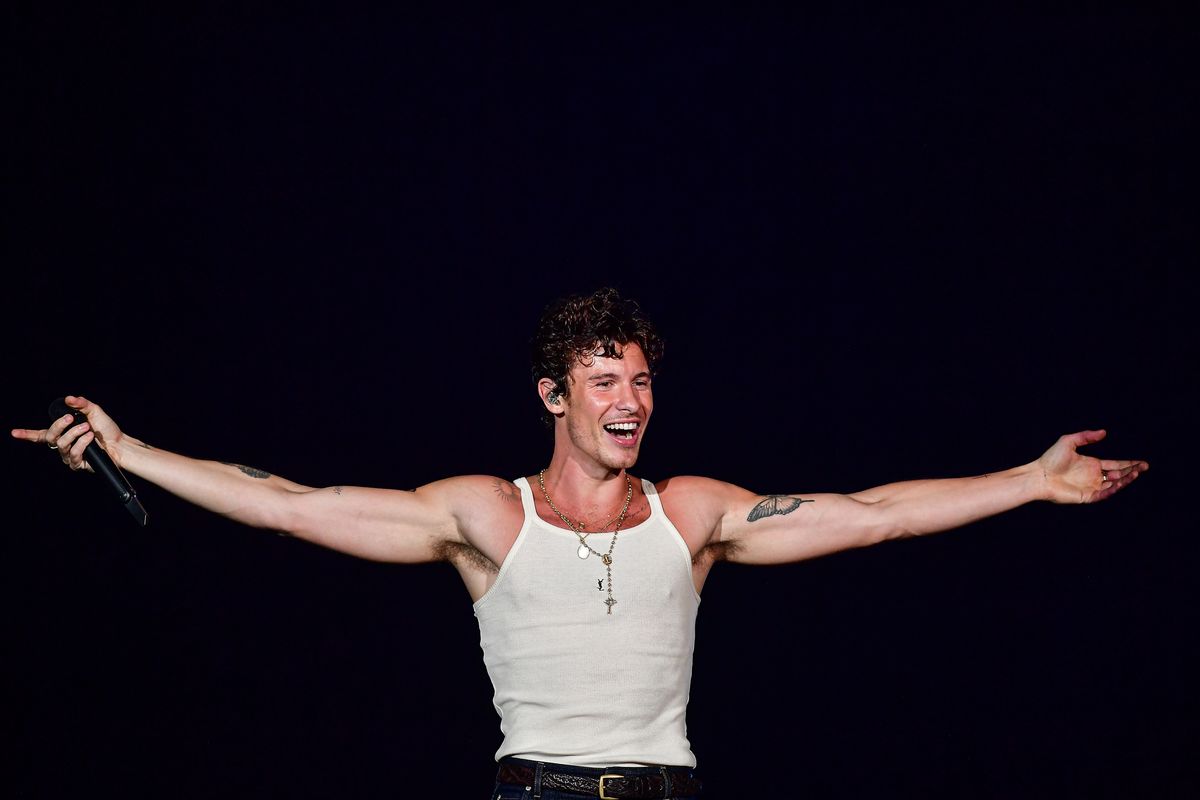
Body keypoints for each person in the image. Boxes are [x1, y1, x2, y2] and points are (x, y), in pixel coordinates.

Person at [13, 287, 1148, 800]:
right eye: (607, 379)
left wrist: (1032, 481)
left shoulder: (692, 512)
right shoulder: (483, 515)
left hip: (670, 790)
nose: (632, 399)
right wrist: (136, 448)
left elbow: (875, 510)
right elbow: (288, 501)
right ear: (556, 394)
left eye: (643, 380)